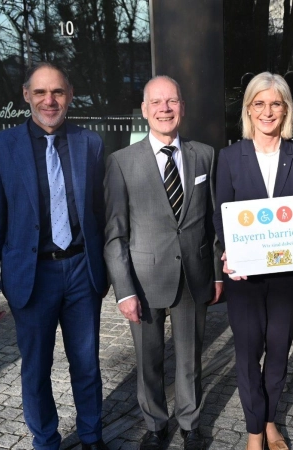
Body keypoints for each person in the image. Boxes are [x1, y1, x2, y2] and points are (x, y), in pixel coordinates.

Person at [0, 62, 108, 450]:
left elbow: (100, 212)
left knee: (86, 366)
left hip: (82, 271)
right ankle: (46, 441)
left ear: (69, 95)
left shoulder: (91, 144)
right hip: (31, 277)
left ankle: (91, 437)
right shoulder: (0, 148)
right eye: (40, 93)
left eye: (58, 92)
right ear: (26, 95)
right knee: (36, 369)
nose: (49, 101)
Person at [103, 75, 223, 450]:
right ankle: (155, 426)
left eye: (172, 101)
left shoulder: (205, 155)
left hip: (193, 275)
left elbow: (214, 223)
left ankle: (190, 424)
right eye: (156, 102)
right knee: (149, 361)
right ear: (144, 110)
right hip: (143, 280)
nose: (165, 109)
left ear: (182, 107)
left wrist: (217, 276)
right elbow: (115, 234)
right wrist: (123, 291)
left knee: (190, 360)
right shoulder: (121, 162)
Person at [212, 72, 293, 450]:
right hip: (244, 277)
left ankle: (272, 420)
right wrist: (228, 249)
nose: (268, 111)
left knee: (278, 350)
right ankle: (254, 431)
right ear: (248, 109)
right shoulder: (229, 157)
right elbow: (220, 215)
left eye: (276, 103)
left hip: (287, 276)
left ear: (286, 109)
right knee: (247, 354)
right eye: (259, 103)